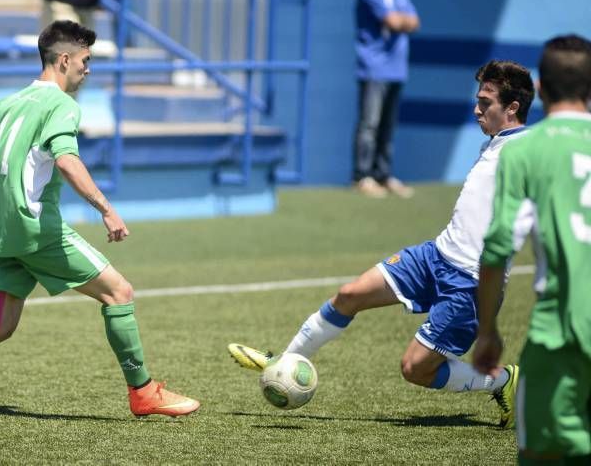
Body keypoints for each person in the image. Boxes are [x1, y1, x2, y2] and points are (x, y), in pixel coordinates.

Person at [0, 20, 200, 419]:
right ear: (65, 59)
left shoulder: (12, 102)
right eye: (85, 61)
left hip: (2, 231)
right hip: (37, 230)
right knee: (119, 293)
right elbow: (67, 160)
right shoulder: (62, 105)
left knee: (0, 325)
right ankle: (143, 393)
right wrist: (106, 209)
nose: (88, 70)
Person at [229, 60, 535, 428]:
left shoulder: (528, 151)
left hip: (469, 283)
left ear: (513, 108)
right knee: (350, 294)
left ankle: (502, 380)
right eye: (478, 99)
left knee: (414, 369)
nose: (476, 108)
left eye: (485, 102)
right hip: (435, 255)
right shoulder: (496, 143)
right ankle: (285, 361)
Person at [474, 35, 591, 463]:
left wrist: (487, 330)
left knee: (541, 453)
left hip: (559, 333)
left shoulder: (524, 152)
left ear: (539, 89)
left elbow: (498, 246)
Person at [353, 0, 419, 198]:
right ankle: (362, 175)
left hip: (396, 67)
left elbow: (415, 22)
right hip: (373, 67)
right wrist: (401, 21)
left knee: (387, 126)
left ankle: (383, 174)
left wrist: (401, 21)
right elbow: (393, 21)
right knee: (369, 124)